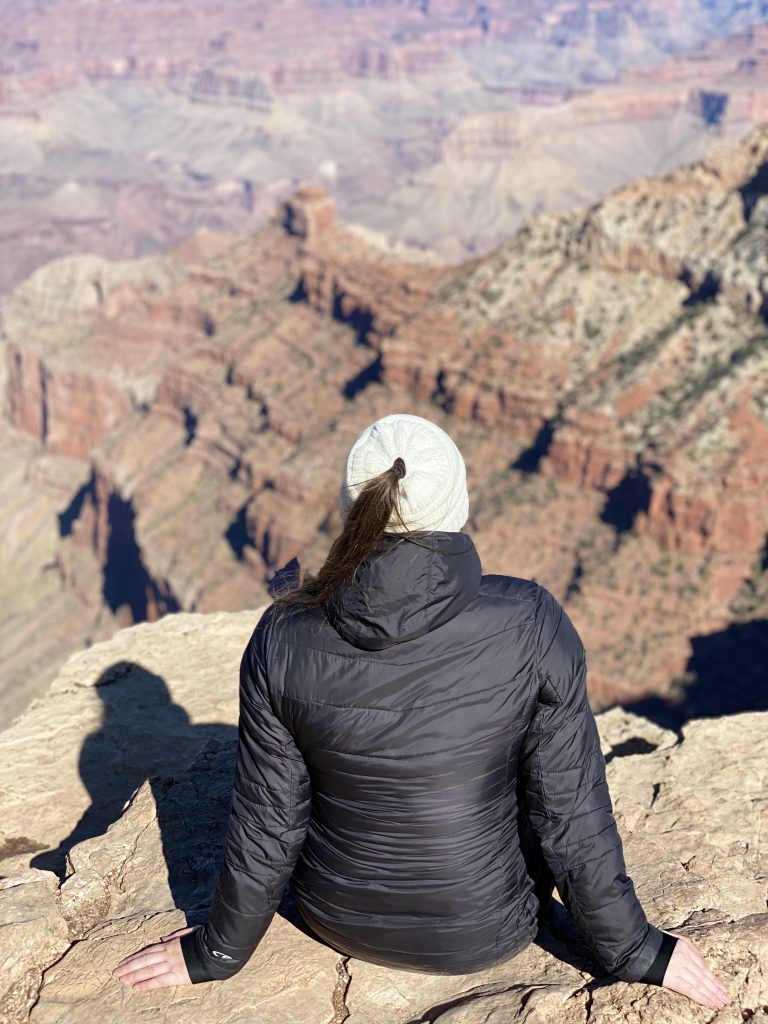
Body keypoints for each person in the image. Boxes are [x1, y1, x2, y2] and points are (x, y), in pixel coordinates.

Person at [113, 413, 730, 1010]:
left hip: (335, 920)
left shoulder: (282, 636)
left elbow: (268, 822)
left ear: (355, 507)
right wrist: (635, 950)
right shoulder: (531, 622)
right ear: (456, 506)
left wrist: (216, 952)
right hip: (488, 931)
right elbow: (569, 809)